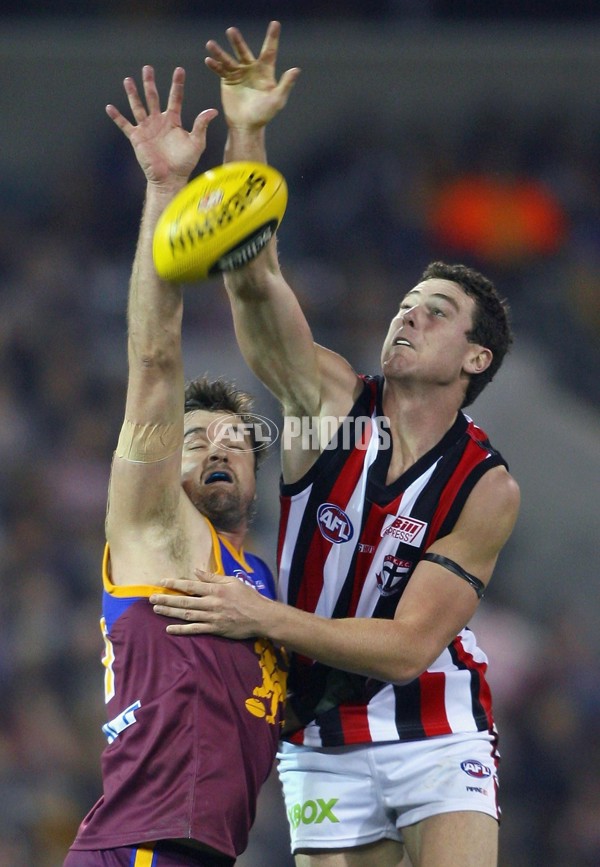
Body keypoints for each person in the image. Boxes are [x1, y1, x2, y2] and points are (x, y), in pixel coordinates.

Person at [149, 22, 521, 867]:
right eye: (407, 300)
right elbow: (254, 279)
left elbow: (405, 647)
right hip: (319, 733)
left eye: (435, 311)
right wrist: (248, 132)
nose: (408, 313)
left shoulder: (485, 482)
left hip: (435, 725)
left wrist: (263, 616)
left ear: (475, 358)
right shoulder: (327, 405)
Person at [63, 63, 287, 867]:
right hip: (142, 849)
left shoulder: (258, 583)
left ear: (260, 476)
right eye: (195, 439)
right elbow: (156, 360)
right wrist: (167, 191)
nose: (217, 446)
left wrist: (249, 140)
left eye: (233, 438)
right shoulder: (157, 525)